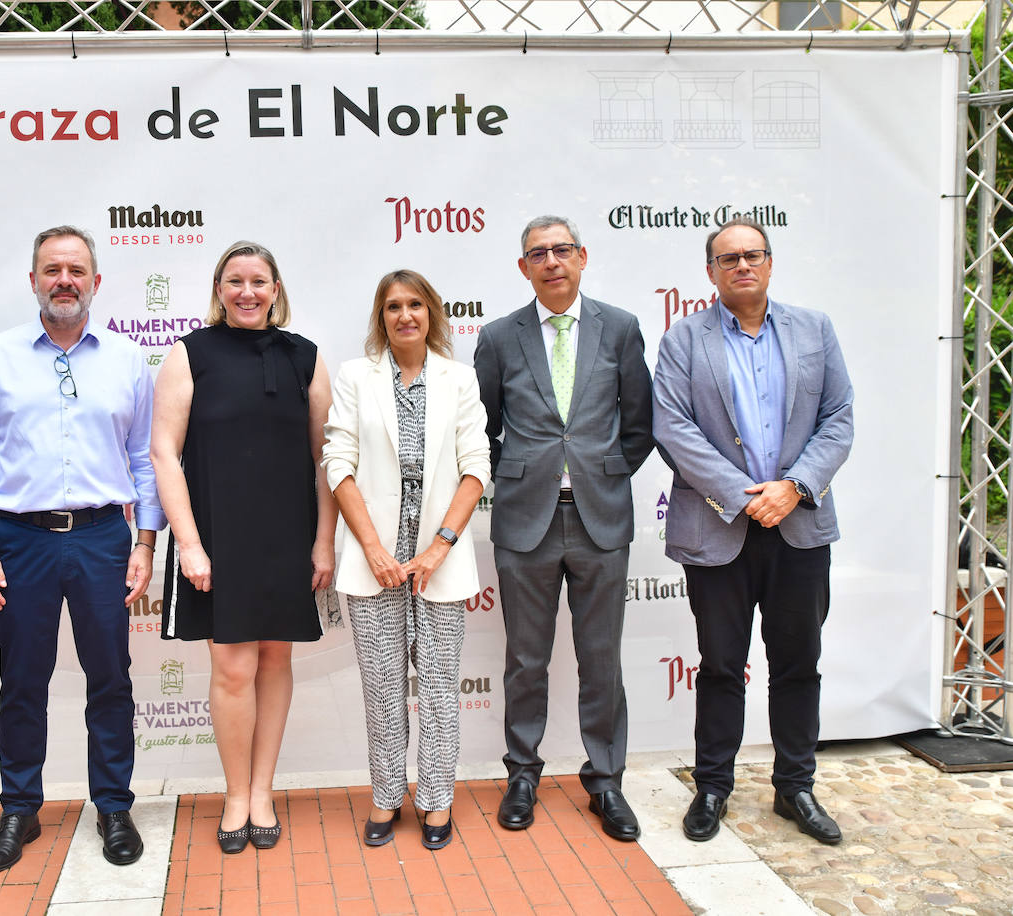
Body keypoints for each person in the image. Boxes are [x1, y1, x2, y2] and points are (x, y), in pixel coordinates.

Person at [0, 225, 165, 871]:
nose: (64, 280)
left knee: (111, 680)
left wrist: (146, 541)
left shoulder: (128, 360)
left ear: (96, 282)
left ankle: (114, 807)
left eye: (76, 270)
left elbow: (145, 459)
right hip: (19, 541)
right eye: (52, 270)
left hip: (103, 537)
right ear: (34, 280)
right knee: (21, 682)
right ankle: (19, 810)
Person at [652, 218, 853, 845]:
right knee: (719, 665)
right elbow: (672, 426)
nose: (742, 265)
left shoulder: (814, 329)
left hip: (800, 525)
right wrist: (745, 497)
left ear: (770, 263)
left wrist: (792, 488)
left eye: (753, 254)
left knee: (798, 664)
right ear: (710, 272)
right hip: (720, 528)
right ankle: (712, 786)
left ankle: (796, 787)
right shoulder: (683, 339)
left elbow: (839, 417)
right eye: (728, 258)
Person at [150, 241, 335, 854]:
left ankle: (263, 792)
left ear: (276, 289)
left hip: (288, 537)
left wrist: (324, 541)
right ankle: (235, 795)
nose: (247, 292)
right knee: (233, 669)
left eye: (259, 281)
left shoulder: (304, 357)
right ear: (220, 289)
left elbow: (326, 458)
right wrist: (190, 545)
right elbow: (163, 454)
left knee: (276, 662)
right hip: (217, 538)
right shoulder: (189, 355)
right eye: (236, 281)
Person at [473, 215, 654, 840]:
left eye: (561, 251)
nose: (551, 262)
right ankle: (522, 773)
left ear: (582, 257)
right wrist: (526, 475)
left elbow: (639, 425)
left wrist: (599, 473)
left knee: (601, 659)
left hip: (600, 519)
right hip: (526, 522)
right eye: (537, 254)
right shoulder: (499, 338)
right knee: (526, 659)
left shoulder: (621, 328)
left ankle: (606, 780)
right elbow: (483, 430)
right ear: (523, 267)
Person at [322, 270, 490, 851]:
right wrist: (373, 549)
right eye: (393, 306)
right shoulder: (355, 377)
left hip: (441, 557)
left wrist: (437, 548)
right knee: (383, 687)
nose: (405, 315)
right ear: (381, 317)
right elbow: (338, 462)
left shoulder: (459, 378)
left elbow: (476, 467)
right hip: (373, 559)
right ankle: (386, 796)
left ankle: (437, 799)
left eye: (415, 304)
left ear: (432, 312)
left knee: (441, 686)